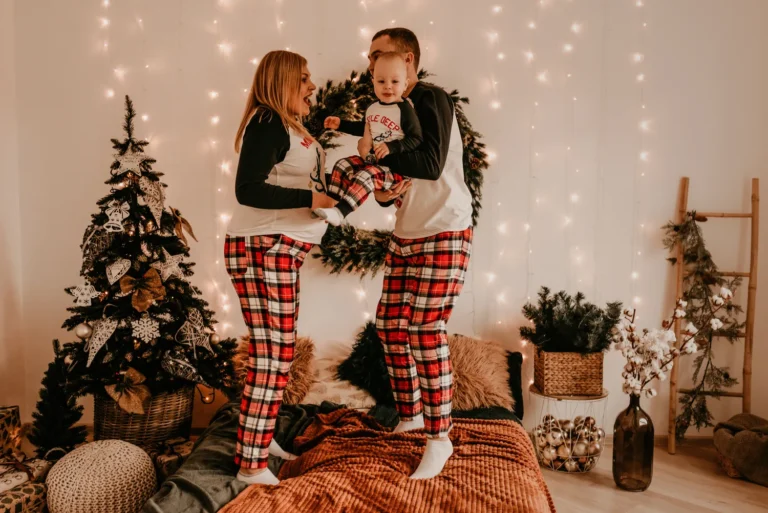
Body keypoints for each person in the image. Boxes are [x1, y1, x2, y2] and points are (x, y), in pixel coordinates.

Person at [333, 28, 474, 479]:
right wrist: (382, 187)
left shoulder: (431, 99)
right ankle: (411, 415)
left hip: (445, 228)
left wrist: (376, 158)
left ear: (408, 59)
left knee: (424, 329)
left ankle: (440, 438)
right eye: (371, 57)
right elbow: (395, 182)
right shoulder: (382, 109)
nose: (373, 64)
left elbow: (430, 164)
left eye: (380, 54)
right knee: (391, 327)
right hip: (407, 230)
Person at [225, 50, 336, 486]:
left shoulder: (289, 126)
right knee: (273, 354)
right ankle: (251, 464)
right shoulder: (268, 121)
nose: (312, 87)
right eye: (304, 79)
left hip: (276, 248)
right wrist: (310, 200)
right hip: (263, 247)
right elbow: (248, 189)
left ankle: (260, 436)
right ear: (282, 81)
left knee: (276, 351)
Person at [317, 52, 421, 226]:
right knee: (343, 165)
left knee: (366, 175)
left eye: (395, 82)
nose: (388, 87)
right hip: (374, 162)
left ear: (405, 84)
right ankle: (331, 206)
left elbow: (416, 138)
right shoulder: (373, 108)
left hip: (396, 170)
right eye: (381, 81)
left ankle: (341, 212)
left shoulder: (404, 109)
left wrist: (392, 146)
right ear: (373, 82)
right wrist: (340, 124)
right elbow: (364, 128)